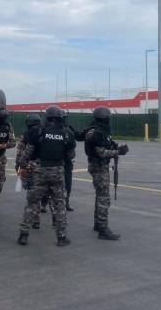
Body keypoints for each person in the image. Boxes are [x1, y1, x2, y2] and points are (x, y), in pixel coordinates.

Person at [17, 105, 76, 247]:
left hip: (39, 170)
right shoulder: (67, 133)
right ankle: (61, 238)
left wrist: (24, 166)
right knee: (59, 204)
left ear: (47, 116)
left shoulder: (37, 131)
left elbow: (26, 154)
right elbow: (71, 155)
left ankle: (23, 235)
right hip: (57, 171)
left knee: (31, 203)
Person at [84, 107, 128, 241]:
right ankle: (103, 229)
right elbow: (101, 152)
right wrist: (118, 152)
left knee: (100, 196)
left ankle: (98, 224)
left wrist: (114, 146)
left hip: (97, 165)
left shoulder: (96, 130)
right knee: (103, 198)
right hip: (99, 166)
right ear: (104, 118)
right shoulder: (98, 132)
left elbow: (106, 145)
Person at [16, 113, 42, 229]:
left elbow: (21, 151)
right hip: (44, 167)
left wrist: (19, 166)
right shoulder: (44, 133)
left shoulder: (27, 135)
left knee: (32, 195)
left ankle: (34, 219)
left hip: (30, 166)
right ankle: (53, 220)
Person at [61, 110, 86, 212]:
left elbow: (79, 137)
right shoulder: (48, 129)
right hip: (54, 160)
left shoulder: (69, 129)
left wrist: (87, 131)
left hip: (66, 161)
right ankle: (44, 203)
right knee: (50, 182)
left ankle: (66, 202)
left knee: (67, 182)